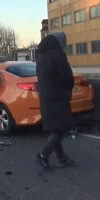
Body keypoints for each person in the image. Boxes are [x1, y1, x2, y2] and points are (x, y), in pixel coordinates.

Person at [34, 32, 75, 171]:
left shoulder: (41, 57)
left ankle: (61, 158)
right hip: (58, 96)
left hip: (46, 97)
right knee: (61, 128)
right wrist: (68, 89)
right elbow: (67, 76)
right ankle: (43, 155)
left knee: (55, 127)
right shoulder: (58, 55)